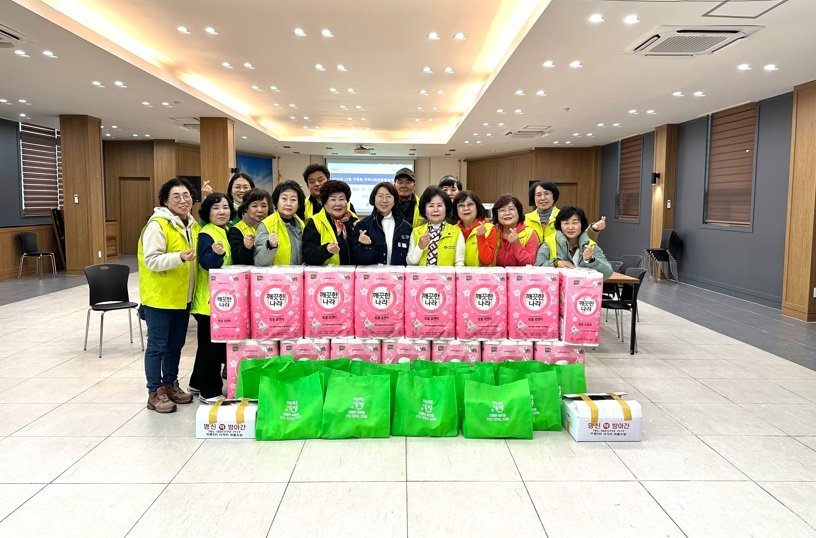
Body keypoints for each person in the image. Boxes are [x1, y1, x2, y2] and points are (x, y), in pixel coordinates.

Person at [137, 177, 198, 414]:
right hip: (160, 298)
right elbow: (151, 260)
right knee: (157, 346)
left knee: (175, 345)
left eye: (186, 195)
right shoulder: (157, 225)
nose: (183, 200)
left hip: (182, 297)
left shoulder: (191, 224)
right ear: (165, 201)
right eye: (176, 196)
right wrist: (179, 257)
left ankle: (171, 384)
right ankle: (155, 391)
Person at [189, 193, 232, 400]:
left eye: (225, 207)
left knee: (206, 346)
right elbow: (207, 263)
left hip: (220, 300)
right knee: (211, 349)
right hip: (209, 301)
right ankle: (210, 391)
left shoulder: (225, 230)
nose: (222, 212)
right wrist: (216, 254)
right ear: (207, 212)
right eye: (216, 208)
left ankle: (196, 383)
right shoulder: (206, 233)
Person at [534, 205, 613, 279]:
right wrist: (555, 263)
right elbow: (536, 269)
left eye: (575, 223)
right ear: (560, 225)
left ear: (582, 224)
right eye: (566, 223)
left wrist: (591, 260)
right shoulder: (549, 243)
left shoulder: (590, 245)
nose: (570, 227)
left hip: (584, 288)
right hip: (555, 288)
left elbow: (608, 273)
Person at [525, 180, 605, 247]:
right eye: (538, 195)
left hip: (560, 260)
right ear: (533, 198)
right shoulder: (524, 219)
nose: (542, 198)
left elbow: (581, 239)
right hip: (530, 260)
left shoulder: (565, 216)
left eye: (547, 194)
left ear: (554, 196)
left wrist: (593, 229)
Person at [351, 182, 412, 265]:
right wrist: (367, 246)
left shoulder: (405, 226)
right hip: (373, 273)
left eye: (388, 196)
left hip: (399, 273)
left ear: (395, 200)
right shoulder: (363, 225)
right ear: (374, 198)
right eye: (380, 196)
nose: (384, 200)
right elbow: (358, 260)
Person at [303, 180, 359, 265]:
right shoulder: (314, 223)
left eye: (342, 199)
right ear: (324, 202)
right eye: (333, 199)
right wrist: (326, 250)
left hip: (352, 272)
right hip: (327, 273)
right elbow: (308, 255)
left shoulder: (355, 222)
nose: (338, 203)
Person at [407, 186, 465, 266]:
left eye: (439, 205)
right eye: (431, 206)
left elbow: (459, 263)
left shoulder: (456, 232)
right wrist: (420, 247)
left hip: (447, 274)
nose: (435, 210)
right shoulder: (416, 232)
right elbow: (410, 262)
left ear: (446, 208)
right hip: (422, 274)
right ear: (424, 209)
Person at [255, 180, 306, 266]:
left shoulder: (301, 224)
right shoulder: (266, 225)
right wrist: (270, 246)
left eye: (293, 200)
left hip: (297, 273)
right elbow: (259, 263)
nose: (288, 203)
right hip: (275, 274)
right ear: (276, 201)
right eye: (284, 199)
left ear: (298, 204)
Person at [492, 193, 540, 267]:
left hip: (521, 274)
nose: (507, 213)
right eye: (502, 210)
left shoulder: (530, 234)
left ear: (519, 212)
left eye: (511, 209)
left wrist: (516, 244)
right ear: (496, 214)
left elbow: (530, 264)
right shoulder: (492, 232)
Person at [454, 190, 497, 266]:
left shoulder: (490, 228)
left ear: (477, 207)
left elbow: (487, 260)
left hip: (481, 274)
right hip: (456, 273)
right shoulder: (452, 230)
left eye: (470, 204)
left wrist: (481, 237)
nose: (466, 208)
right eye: (461, 205)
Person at [228, 188, 271, 265]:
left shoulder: (272, 226)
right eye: (254, 206)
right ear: (245, 208)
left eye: (264, 206)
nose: (260, 210)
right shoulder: (236, 230)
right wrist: (246, 247)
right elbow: (237, 260)